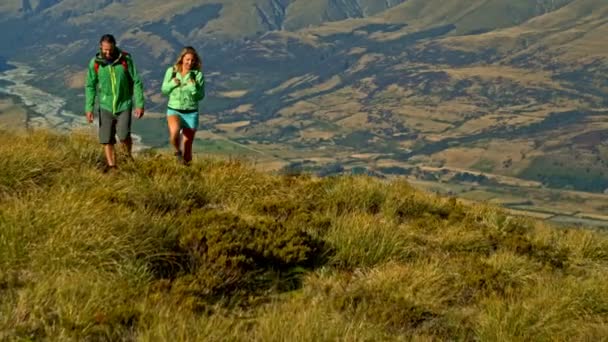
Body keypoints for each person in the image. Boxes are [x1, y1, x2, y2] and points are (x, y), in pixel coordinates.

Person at [85, 34, 145, 172]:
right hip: (105, 105)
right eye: (105, 50)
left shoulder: (125, 59)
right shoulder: (95, 62)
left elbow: (136, 81)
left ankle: (127, 156)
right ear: (101, 46)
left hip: (124, 104)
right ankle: (112, 167)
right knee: (107, 139)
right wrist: (89, 108)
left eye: (110, 50)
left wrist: (139, 104)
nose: (107, 53)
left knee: (123, 135)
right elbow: (90, 85)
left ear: (114, 46)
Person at [161, 46, 205, 165]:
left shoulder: (198, 75)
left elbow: (200, 96)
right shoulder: (172, 71)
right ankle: (177, 151)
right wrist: (172, 84)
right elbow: (164, 90)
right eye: (187, 59)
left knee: (188, 144)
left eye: (192, 60)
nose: (189, 63)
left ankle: (186, 168)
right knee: (174, 133)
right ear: (182, 59)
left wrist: (193, 88)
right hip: (174, 109)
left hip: (191, 112)